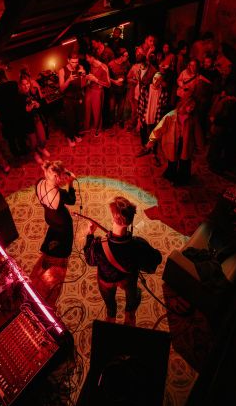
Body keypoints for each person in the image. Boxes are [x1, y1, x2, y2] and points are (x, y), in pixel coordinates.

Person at [84, 196, 161, 325]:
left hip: (106, 280)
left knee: (109, 299)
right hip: (128, 278)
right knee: (132, 295)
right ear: (130, 222)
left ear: (113, 219)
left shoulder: (98, 244)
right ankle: (129, 314)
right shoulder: (138, 245)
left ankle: (111, 314)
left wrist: (90, 234)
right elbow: (156, 259)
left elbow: (89, 259)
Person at [31, 160, 76, 305]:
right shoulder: (60, 193)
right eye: (62, 175)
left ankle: (47, 256)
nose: (63, 178)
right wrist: (70, 183)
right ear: (56, 177)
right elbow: (72, 200)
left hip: (49, 217)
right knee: (64, 242)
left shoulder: (39, 183)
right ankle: (60, 261)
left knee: (53, 234)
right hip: (63, 222)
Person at [143, 97, 200, 185]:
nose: (192, 109)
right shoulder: (171, 116)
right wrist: (151, 140)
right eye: (191, 106)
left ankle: (182, 179)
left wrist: (199, 146)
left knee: (184, 161)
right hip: (172, 142)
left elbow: (197, 132)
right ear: (184, 104)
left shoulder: (192, 117)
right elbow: (159, 129)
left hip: (186, 143)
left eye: (193, 107)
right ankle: (171, 175)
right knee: (172, 160)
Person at [0, 68, 28, 157]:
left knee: (11, 138)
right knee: (20, 134)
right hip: (17, 113)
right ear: (4, 75)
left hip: (6, 116)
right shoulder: (13, 84)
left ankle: (15, 153)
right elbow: (20, 98)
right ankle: (24, 150)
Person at [18, 75, 50, 163]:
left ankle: (42, 148)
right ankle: (35, 153)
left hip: (36, 118)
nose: (26, 86)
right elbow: (20, 112)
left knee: (43, 138)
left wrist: (37, 104)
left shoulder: (32, 92)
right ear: (20, 85)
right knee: (33, 142)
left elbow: (40, 103)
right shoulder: (19, 97)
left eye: (27, 83)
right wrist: (27, 110)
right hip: (27, 122)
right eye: (23, 84)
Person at [58, 51, 86, 147]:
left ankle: (76, 134)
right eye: (73, 62)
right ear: (68, 60)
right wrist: (68, 80)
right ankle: (70, 137)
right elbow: (61, 89)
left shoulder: (80, 68)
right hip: (68, 99)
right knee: (70, 120)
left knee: (78, 119)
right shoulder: (62, 70)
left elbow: (83, 85)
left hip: (78, 98)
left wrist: (84, 76)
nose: (75, 64)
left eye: (76, 62)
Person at [84, 51, 111, 136]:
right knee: (87, 110)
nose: (86, 59)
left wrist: (96, 80)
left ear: (92, 57)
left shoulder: (103, 67)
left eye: (87, 57)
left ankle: (97, 129)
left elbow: (108, 84)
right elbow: (91, 76)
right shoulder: (91, 65)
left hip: (97, 91)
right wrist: (88, 78)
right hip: (89, 89)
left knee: (97, 111)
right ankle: (87, 127)